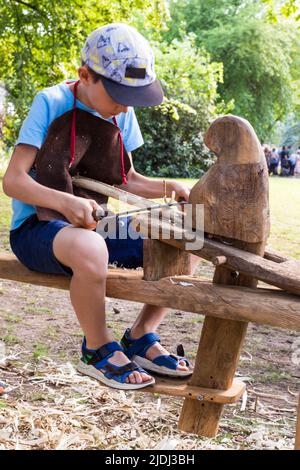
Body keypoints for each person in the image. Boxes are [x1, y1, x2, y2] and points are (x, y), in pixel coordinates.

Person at [2, 23, 197, 390]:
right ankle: (96, 348)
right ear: (85, 75)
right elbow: (13, 180)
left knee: (190, 234)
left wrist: (169, 189)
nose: (125, 105)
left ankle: (140, 336)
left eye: (132, 96)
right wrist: (66, 202)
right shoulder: (51, 102)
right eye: (118, 94)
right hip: (37, 232)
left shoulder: (122, 111)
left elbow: (125, 179)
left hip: (92, 227)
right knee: (90, 245)